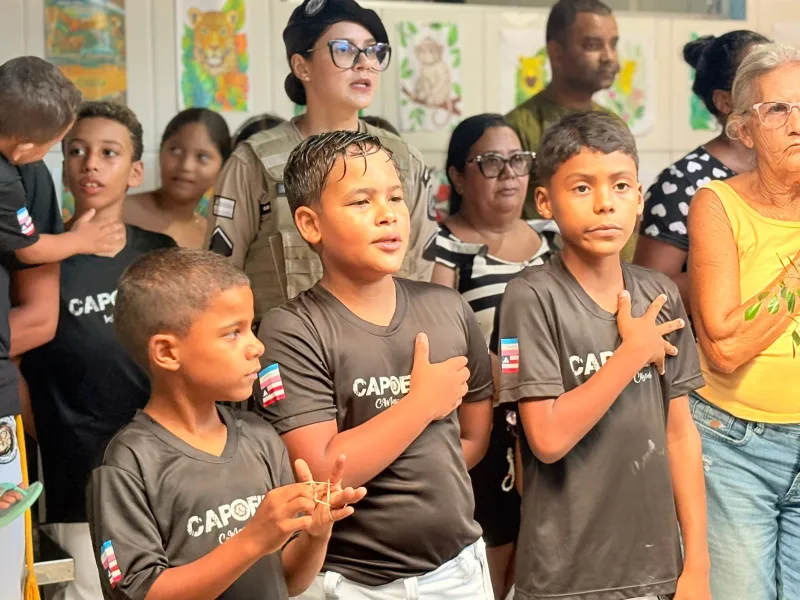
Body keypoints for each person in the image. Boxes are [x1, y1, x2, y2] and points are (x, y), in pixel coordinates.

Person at [257, 130, 494, 599]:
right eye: (361, 202)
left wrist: (399, 462)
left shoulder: (447, 308)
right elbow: (322, 471)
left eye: (395, 197)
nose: (387, 215)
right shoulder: (292, 329)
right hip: (349, 583)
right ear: (310, 224)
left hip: (459, 573)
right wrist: (420, 405)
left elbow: (471, 437)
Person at [498, 112, 710, 600]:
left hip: (656, 570)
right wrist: (631, 354)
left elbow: (679, 436)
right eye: (581, 188)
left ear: (639, 198)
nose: (604, 205)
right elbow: (547, 438)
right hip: (565, 578)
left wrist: (696, 562)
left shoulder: (658, 295)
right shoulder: (530, 298)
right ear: (545, 200)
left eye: (619, 186)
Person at [87, 248, 366, 600]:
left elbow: (288, 581)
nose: (256, 346)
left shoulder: (261, 437)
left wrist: (315, 535)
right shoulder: (128, 465)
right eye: (233, 333)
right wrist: (251, 540)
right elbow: (139, 593)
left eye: (251, 327)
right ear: (168, 353)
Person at [21, 101, 176, 600]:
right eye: (77, 151)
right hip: (78, 481)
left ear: (135, 171)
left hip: (168, 473)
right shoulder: (37, 260)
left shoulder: (161, 252)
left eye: (108, 153)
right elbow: (15, 361)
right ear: (62, 164)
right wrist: (45, 431)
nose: (90, 163)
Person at [206, 0, 437, 329]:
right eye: (344, 49)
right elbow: (218, 281)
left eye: (373, 51)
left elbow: (420, 276)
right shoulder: (255, 161)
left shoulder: (403, 159)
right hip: (287, 361)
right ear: (302, 67)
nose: (364, 64)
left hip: (387, 360)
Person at [425, 113, 558, 600]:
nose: (509, 175)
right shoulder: (447, 247)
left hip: (556, 410)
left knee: (543, 544)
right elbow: (441, 342)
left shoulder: (555, 237)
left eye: (518, 161)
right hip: (486, 420)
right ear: (458, 176)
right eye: (490, 163)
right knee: (494, 549)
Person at [688, 43, 800, 600]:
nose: (797, 123)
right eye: (778, 109)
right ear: (745, 130)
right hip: (736, 445)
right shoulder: (716, 204)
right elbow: (725, 345)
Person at [634, 30, 769, 310]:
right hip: (712, 347)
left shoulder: (787, 168)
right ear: (724, 102)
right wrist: (754, 267)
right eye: (758, 77)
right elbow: (650, 294)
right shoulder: (681, 183)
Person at [0, 56, 123, 264]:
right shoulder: (5, 184)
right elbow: (30, 251)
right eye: (50, 145)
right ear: (22, 150)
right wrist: (80, 240)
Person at [505, 0, 618, 219]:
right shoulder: (518, 128)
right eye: (593, 46)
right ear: (556, 54)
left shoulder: (613, 122)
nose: (609, 57)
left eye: (613, 44)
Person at [125, 108, 231, 248]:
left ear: (223, 167)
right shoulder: (120, 211)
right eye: (175, 151)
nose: (186, 166)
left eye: (202, 157)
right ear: (160, 152)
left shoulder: (212, 237)